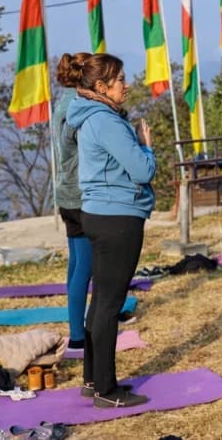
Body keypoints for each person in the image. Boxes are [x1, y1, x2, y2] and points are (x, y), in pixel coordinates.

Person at [65, 53, 157, 409]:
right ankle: (106, 388)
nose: (127, 84)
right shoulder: (106, 121)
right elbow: (141, 170)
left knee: (101, 301)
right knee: (109, 304)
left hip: (101, 214)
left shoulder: (91, 116)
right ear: (101, 87)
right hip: (117, 217)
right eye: (120, 79)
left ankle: (93, 380)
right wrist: (145, 145)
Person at [51, 53, 92, 350]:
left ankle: (77, 325)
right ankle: (78, 335)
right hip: (79, 194)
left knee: (77, 262)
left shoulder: (63, 102)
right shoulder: (76, 107)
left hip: (66, 191)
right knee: (86, 265)